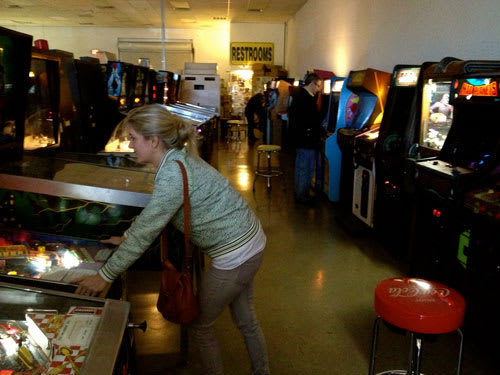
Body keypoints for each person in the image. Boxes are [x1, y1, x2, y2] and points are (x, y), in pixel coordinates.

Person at [73, 104, 270, 375]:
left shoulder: (172, 173)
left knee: (200, 325)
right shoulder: (179, 156)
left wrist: (104, 275)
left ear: (154, 141)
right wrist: (127, 237)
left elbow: (148, 229)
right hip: (251, 240)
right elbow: (152, 219)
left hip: (236, 254)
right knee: (245, 318)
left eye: (133, 138)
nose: (130, 145)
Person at [287, 72, 325, 204]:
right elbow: (312, 119)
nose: (320, 89)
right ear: (313, 83)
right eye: (319, 86)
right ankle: (302, 196)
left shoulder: (298, 94)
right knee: (306, 168)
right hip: (306, 139)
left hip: (299, 138)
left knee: (300, 167)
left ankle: (299, 193)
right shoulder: (306, 98)